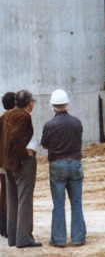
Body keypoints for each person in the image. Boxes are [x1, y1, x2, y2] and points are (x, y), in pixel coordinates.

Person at [40, 89, 86, 248]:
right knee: (76, 203)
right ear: (67, 104)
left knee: (59, 205)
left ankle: (59, 239)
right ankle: (78, 238)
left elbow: (45, 144)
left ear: (52, 106)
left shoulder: (49, 125)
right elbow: (78, 140)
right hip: (75, 163)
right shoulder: (76, 122)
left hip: (57, 164)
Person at [0, 90, 41, 248]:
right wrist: (25, 153)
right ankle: (24, 239)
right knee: (24, 200)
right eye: (33, 102)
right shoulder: (23, 116)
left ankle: (13, 237)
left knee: (11, 200)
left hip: (7, 164)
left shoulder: (6, 115)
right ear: (29, 103)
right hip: (21, 164)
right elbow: (16, 137)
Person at [0, 91, 15, 239]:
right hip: (8, 161)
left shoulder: (2, 118)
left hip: (1, 161)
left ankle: (2, 226)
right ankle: (7, 228)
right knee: (9, 194)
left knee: (3, 192)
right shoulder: (12, 119)